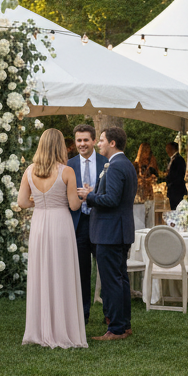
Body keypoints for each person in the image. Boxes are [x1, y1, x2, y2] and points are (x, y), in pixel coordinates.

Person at [19, 129, 87, 348]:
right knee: (61, 272)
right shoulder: (67, 171)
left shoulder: (29, 170)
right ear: (60, 147)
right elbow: (74, 205)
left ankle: (40, 329)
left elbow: (22, 202)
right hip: (60, 224)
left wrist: (38, 202)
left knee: (41, 273)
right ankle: (61, 328)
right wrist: (83, 195)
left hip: (39, 223)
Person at [78, 126, 137, 341]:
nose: (99, 143)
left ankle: (116, 329)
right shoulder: (125, 164)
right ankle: (124, 325)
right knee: (120, 280)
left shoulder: (115, 166)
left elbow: (111, 200)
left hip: (109, 233)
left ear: (112, 143)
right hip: (119, 231)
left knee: (112, 282)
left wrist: (89, 196)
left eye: (101, 140)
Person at [67, 124, 108, 324]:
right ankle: (82, 313)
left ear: (93, 141)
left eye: (85, 140)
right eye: (79, 140)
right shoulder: (69, 165)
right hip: (79, 222)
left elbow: (111, 193)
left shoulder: (106, 163)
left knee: (105, 269)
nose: (82, 144)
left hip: (101, 221)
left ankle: (109, 312)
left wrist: (93, 194)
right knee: (81, 270)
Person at [164, 141, 188, 210]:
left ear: (172, 149)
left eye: (168, 148)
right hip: (173, 191)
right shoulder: (173, 159)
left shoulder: (178, 160)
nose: (166, 151)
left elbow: (178, 175)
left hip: (177, 191)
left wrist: (168, 179)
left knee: (177, 209)